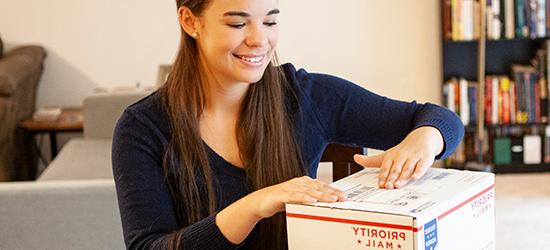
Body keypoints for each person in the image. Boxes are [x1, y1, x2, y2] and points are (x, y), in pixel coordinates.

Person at [111, 0, 464, 249]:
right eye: (237, 23)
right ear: (190, 21)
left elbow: (440, 118)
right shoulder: (143, 128)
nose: (259, 39)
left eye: (270, 21)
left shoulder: (304, 95)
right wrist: (252, 206)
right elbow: (149, 245)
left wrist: (425, 140)